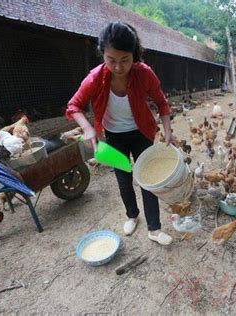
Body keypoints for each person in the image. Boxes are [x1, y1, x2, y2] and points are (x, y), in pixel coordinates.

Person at [65, 21, 174, 245]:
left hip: (142, 132)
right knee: (124, 179)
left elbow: (162, 104)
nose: (118, 67)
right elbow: (73, 106)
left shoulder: (144, 73)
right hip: (114, 136)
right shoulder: (95, 77)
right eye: (111, 60)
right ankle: (132, 215)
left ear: (134, 54)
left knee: (148, 179)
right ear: (102, 54)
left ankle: (154, 228)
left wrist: (168, 131)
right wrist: (87, 129)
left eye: (125, 60)